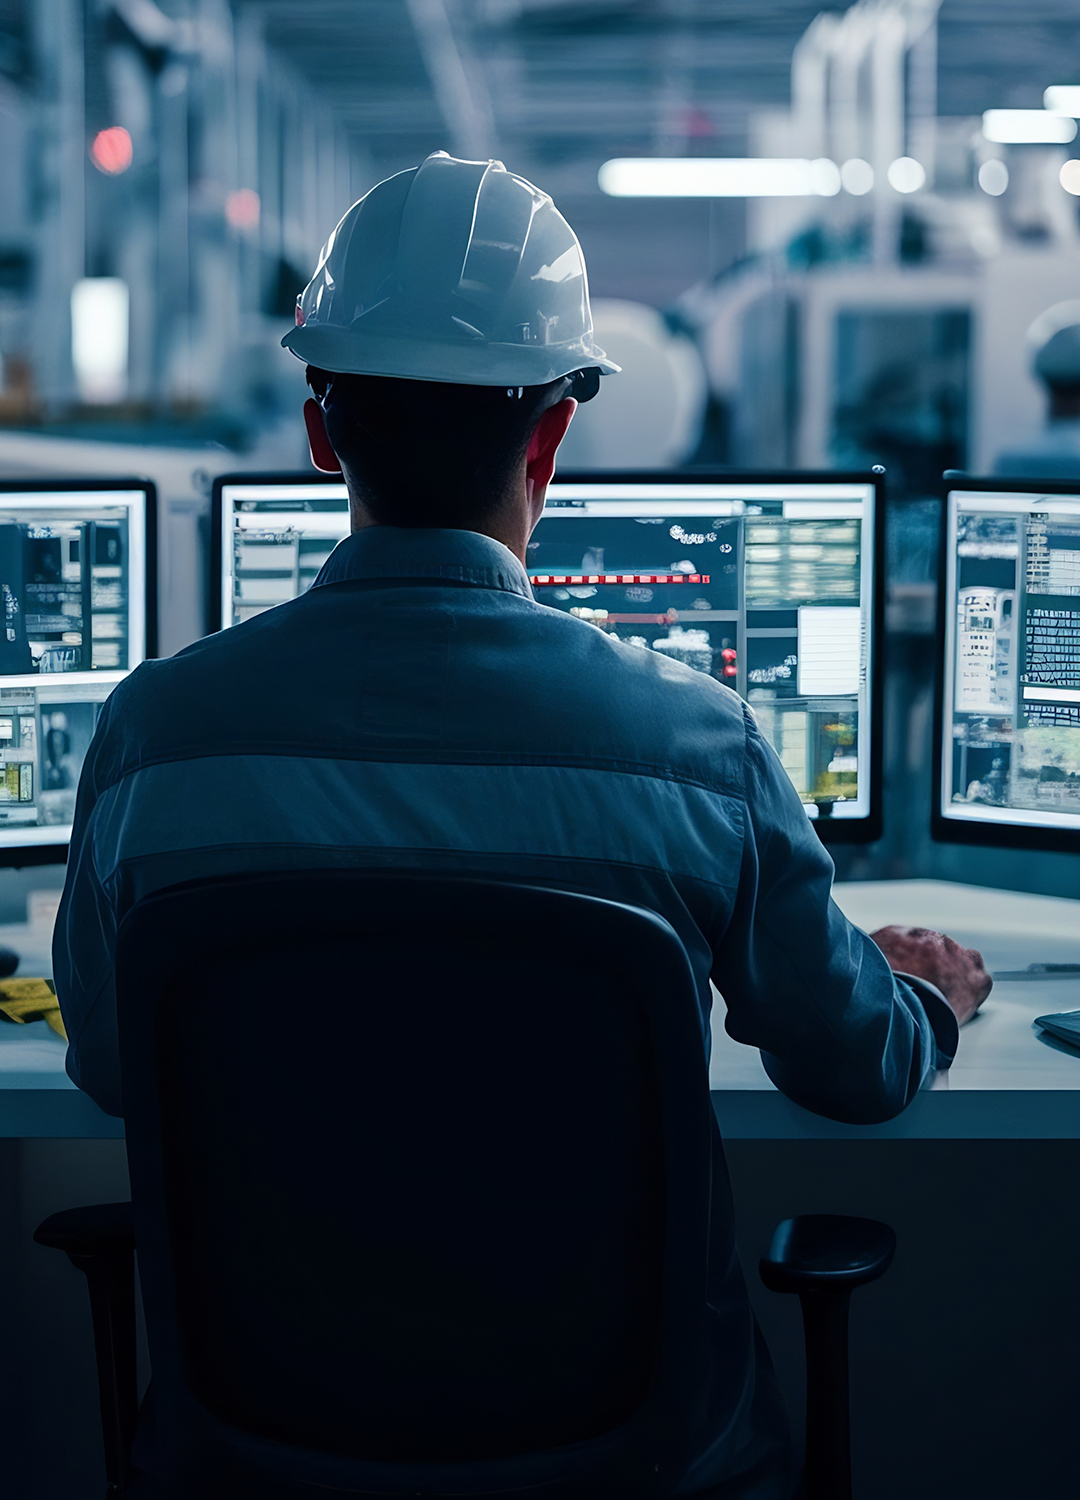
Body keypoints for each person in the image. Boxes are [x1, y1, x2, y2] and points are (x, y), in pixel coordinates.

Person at [53, 152, 991, 1500]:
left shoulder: (154, 739)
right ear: (552, 439)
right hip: (643, 1463)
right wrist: (926, 999)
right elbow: (854, 1070)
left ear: (322, 436)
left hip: (265, 1457)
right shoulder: (698, 746)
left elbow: (107, 1066)